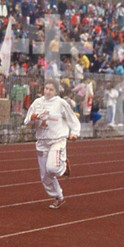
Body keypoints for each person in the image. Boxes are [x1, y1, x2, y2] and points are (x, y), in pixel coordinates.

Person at [23, 80, 81, 209]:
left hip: (57, 140)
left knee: (52, 168)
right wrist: (32, 118)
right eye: (46, 89)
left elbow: (72, 118)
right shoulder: (37, 103)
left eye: (51, 89)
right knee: (45, 175)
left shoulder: (61, 103)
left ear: (56, 91)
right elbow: (27, 121)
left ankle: (63, 166)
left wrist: (75, 133)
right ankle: (59, 197)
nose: (48, 91)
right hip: (42, 141)